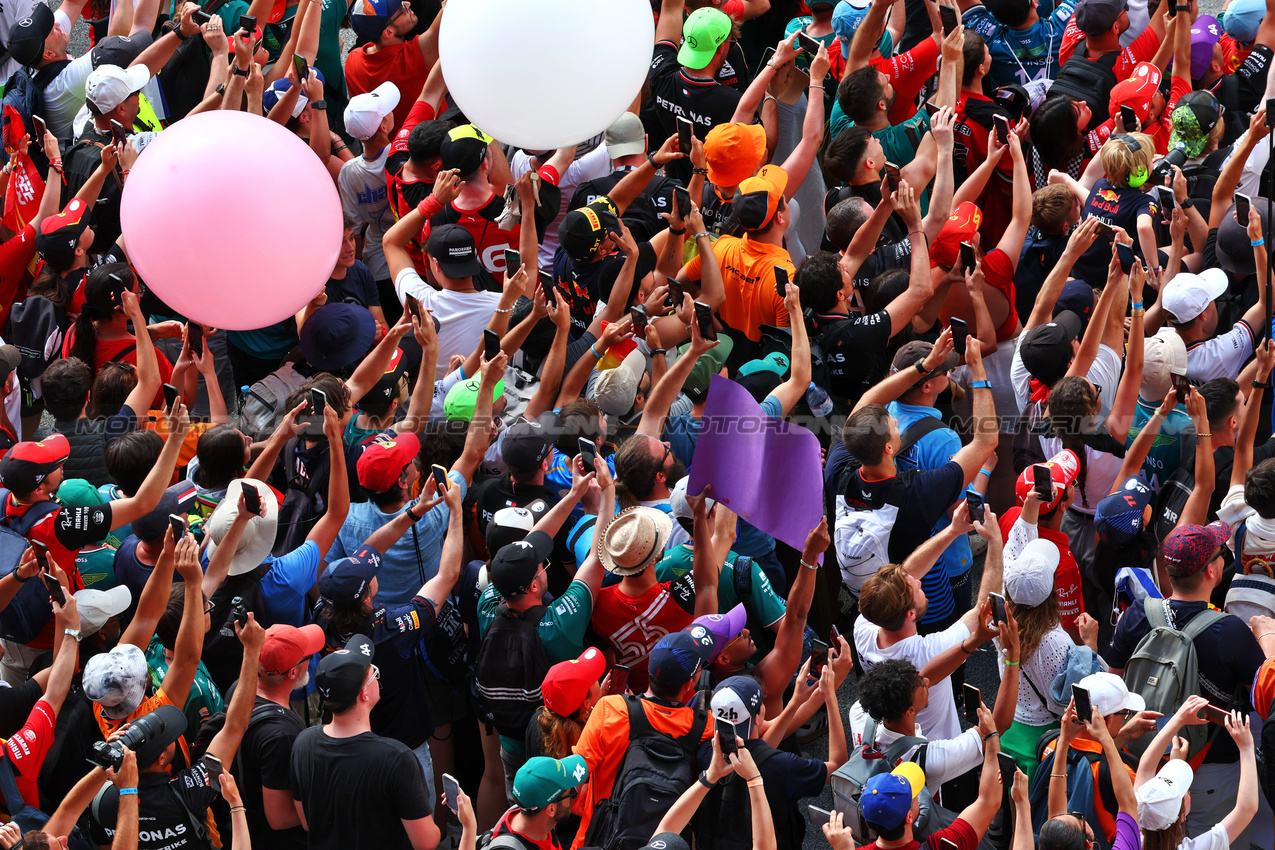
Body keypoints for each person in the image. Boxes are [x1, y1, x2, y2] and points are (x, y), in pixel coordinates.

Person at [290, 634, 439, 850]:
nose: (377, 678)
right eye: (373, 674)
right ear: (364, 694)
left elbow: (307, 822)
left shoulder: (303, 742)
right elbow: (426, 842)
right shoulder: (397, 759)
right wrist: (465, 819)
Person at [236, 622, 326, 850]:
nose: (311, 660)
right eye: (307, 656)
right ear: (293, 672)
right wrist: (333, 804)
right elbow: (280, 818)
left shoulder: (240, 690)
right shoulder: (280, 736)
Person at [1133, 696, 1260, 850]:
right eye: (1185, 790)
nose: (1188, 792)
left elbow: (1145, 766)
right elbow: (1246, 809)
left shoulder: (1132, 836)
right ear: (1182, 816)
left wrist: (1178, 720)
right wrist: (1246, 748)